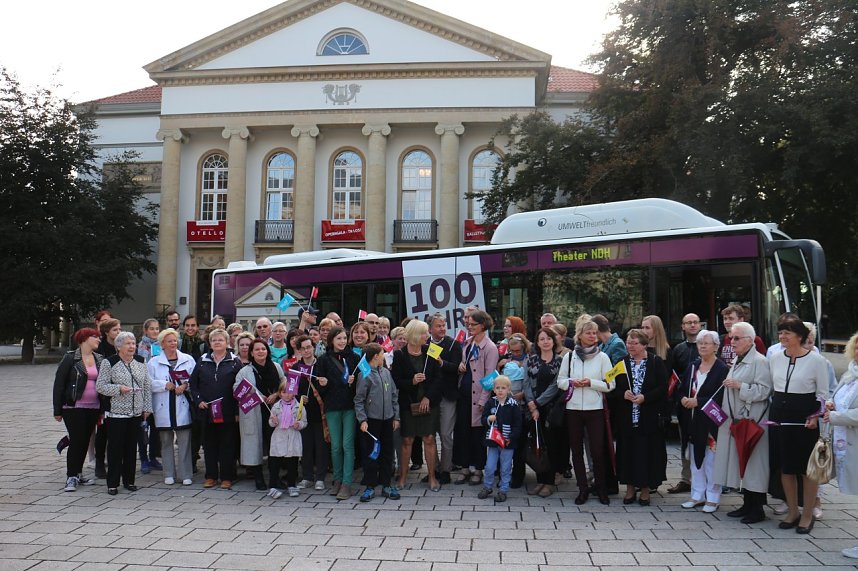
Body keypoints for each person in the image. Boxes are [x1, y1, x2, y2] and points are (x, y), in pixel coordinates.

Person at [769, 314, 830, 533]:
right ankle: (792, 510)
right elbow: (770, 386)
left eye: (787, 332)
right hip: (779, 415)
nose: (782, 336)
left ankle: (807, 513)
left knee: (807, 469)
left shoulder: (817, 361)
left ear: (800, 336)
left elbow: (823, 394)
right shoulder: (775, 357)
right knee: (786, 467)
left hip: (804, 418)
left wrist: (815, 415)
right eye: (781, 332)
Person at [557, 318, 613, 505]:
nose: (592, 336)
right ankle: (582, 489)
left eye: (594, 333)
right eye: (588, 332)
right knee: (576, 451)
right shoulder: (570, 356)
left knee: (597, 451)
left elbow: (610, 384)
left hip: (594, 409)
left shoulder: (603, 357)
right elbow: (561, 381)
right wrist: (572, 383)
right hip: (573, 409)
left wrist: (591, 383)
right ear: (579, 335)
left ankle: (601, 488)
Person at [677, 330, 729, 513]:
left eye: (707, 343)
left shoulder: (723, 369)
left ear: (716, 346)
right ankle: (696, 494)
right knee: (695, 459)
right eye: (700, 343)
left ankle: (713, 497)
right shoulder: (693, 366)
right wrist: (683, 398)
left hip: (710, 422)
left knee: (711, 461)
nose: (702, 346)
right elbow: (682, 387)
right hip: (692, 421)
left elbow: (722, 396)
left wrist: (698, 402)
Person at [615, 328, 668, 506]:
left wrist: (646, 397)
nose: (630, 346)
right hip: (626, 418)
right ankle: (629, 488)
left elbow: (663, 387)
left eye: (635, 343)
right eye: (628, 342)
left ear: (645, 344)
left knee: (647, 453)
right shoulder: (621, 363)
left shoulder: (655, 362)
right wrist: (623, 394)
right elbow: (612, 386)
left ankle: (645, 490)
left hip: (648, 417)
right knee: (627, 452)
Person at [96, 331, 153, 495]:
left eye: (133, 343)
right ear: (118, 346)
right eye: (128, 344)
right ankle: (112, 483)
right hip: (116, 414)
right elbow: (101, 386)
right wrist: (119, 389)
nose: (132, 346)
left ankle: (129, 481)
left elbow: (147, 386)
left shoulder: (141, 361)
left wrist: (147, 407)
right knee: (115, 449)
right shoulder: (110, 362)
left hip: (136, 413)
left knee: (130, 449)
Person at [393, 319, 442, 491]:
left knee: (429, 438)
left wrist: (428, 397)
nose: (427, 336)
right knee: (407, 440)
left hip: (428, 404)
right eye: (424, 333)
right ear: (414, 335)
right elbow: (396, 381)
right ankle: (403, 477)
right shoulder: (399, 355)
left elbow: (438, 378)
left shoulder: (432, 351)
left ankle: (432, 477)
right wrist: (412, 381)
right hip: (408, 404)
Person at [53, 328, 104, 491]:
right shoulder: (70, 358)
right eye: (95, 337)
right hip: (73, 406)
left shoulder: (99, 359)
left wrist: (103, 407)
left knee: (85, 441)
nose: (99, 340)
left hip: (94, 406)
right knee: (77, 440)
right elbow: (59, 384)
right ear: (84, 339)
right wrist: (57, 409)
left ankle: (78, 473)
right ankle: (71, 476)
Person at [190, 328, 240, 490]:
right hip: (207, 411)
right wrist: (198, 401)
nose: (217, 342)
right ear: (210, 343)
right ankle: (211, 476)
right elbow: (193, 384)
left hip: (227, 411)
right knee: (209, 444)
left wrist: (237, 411)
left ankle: (227, 477)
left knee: (227, 444)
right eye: (214, 340)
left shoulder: (234, 361)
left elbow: (241, 388)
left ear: (227, 343)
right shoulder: (202, 360)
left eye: (220, 340)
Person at [822, 331, 858, 559]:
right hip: (849, 443)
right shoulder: (850, 374)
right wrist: (831, 404)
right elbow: (841, 398)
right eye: (856, 347)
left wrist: (836, 416)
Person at [454, 310, 498, 486]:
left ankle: (478, 469)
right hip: (464, 395)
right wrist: (460, 367)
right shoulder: (467, 343)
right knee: (462, 433)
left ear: (483, 325)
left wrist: (482, 401)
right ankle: (464, 468)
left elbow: (490, 378)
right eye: (468, 324)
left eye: (473, 324)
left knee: (477, 436)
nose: (469, 326)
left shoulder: (490, 347)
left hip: (478, 398)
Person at [316, 326, 360, 500]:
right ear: (332, 340)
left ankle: (347, 483)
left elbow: (363, 384)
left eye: (344, 338)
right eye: (338, 338)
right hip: (332, 407)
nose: (342, 341)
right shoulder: (323, 360)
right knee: (335, 446)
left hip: (350, 407)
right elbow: (319, 386)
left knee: (347, 445)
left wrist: (354, 382)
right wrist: (323, 384)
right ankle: (337, 479)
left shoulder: (355, 358)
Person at [147, 328, 196, 486]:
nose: (173, 343)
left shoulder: (188, 359)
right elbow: (148, 383)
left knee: (184, 441)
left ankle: (185, 474)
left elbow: (195, 380)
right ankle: (168, 473)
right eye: (169, 341)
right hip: (163, 406)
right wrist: (164, 385)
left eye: (175, 340)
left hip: (182, 405)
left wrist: (186, 385)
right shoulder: (154, 362)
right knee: (166, 441)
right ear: (162, 344)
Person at [234, 339, 284, 490]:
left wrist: (276, 394)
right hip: (254, 411)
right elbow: (237, 391)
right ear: (251, 353)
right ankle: (258, 477)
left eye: (263, 349)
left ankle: (275, 478)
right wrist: (253, 395)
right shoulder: (244, 371)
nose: (260, 351)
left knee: (274, 446)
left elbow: (284, 384)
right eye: (257, 349)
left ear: (267, 351)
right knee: (254, 445)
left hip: (274, 411)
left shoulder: (276, 367)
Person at [355, 343, 401, 502]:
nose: (384, 355)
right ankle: (370, 485)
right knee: (371, 453)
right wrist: (362, 419)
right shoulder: (365, 374)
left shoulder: (386, 373)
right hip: (371, 422)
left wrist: (396, 417)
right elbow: (359, 400)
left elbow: (394, 395)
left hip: (388, 420)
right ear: (375, 356)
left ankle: (386, 484)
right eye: (382, 353)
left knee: (387, 452)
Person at [523, 327, 564, 497]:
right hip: (532, 408)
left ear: (554, 341)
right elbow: (526, 383)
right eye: (541, 339)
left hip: (551, 409)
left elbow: (556, 385)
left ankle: (549, 482)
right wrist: (531, 404)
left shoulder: (560, 361)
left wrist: (538, 404)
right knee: (537, 445)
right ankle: (540, 480)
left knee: (552, 445)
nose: (545, 341)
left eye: (548, 338)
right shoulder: (531, 360)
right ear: (537, 342)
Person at [667, 312, 702, 495]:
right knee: (685, 442)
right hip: (683, 404)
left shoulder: (708, 346)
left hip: (703, 404)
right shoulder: (678, 349)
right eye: (688, 323)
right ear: (682, 326)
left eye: (695, 322)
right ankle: (686, 478)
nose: (692, 325)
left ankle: (706, 480)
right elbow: (673, 378)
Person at [427, 313, 463, 485]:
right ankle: (433, 469)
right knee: (429, 435)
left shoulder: (453, 344)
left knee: (446, 435)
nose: (442, 328)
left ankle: (446, 470)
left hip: (448, 396)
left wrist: (442, 363)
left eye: (443, 325)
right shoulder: (425, 344)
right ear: (430, 329)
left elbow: (457, 368)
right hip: (430, 397)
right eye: (438, 326)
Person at [477, 375, 522, 503]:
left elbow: (518, 424)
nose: (500, 390)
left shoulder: (513, 405)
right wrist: (488, 419)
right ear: (494, 389)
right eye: (498, 388)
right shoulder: (491, 403)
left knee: (506, 467)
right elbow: (483, 420)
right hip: (493, 440)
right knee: (490, 466)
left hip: (507, 442)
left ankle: (503, 489)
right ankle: (488, 486)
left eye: (503, 388)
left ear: (508, 389)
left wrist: (512, 437)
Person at [293, 335, 328, 491]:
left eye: (309, 347)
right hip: (303, 413)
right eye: (303, 348)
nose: (306, 350)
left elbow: (330, 388)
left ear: (314, 347)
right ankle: (307, 476)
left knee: (321, 445)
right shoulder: (295, 367)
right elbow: (291, 391)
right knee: (305, 446)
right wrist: (300, 397)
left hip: (320, 412)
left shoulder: (322, 365)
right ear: (299, 350)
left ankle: (320, 477)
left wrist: (325, 384)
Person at [267, 379, 307, 499]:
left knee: (292, 463)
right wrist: (273, 422)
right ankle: (273, 486)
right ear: (280, 393)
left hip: (293, 436)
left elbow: (304, 422)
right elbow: (270, 422)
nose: (287, 394)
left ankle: (291, 485)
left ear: (294, 392)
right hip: (279, 437)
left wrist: (298, 424)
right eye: (284, 392)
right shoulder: (276, 406)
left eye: (290, 392)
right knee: (275, 463)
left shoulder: (299, 407)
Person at [503, 333, 530, 488]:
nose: (515, 354)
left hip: (524, 406)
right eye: (512, 351)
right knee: (508, 440)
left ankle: (519, 474)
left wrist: (524, 395)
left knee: (520, 443)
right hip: (509, 406)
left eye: (518, 351)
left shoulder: (530, 359)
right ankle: (505, 472)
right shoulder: (505, 361)